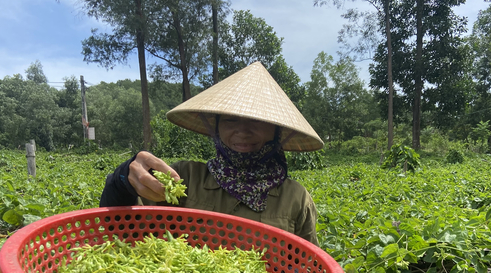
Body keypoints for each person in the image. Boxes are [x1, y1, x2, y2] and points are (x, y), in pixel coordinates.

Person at [99, 61, 324, 245]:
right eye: (230, 119)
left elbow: (309, 268)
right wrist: (121, 180)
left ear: (277, 132)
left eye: (256, 121)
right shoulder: (182, 178)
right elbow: (120, 227)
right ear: (215, 128)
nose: (242, 131)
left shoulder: (296, 198)